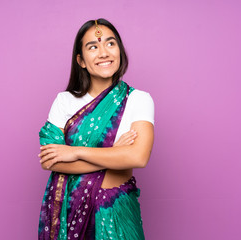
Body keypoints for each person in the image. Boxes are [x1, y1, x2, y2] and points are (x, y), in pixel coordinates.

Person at [38, 18, 154, 240]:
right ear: (81, 60)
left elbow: (138, 157)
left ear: (119, 50)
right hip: (69, 211)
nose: (104, 53)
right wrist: (115, 154)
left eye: (110, 44)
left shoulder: (138, 99)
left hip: (117, 210)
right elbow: (50, 161)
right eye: (93, 46)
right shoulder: (65, 101)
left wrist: (75, 151)